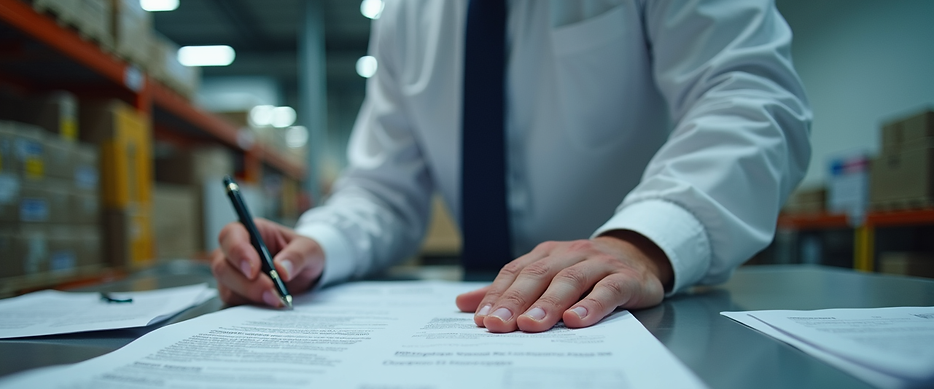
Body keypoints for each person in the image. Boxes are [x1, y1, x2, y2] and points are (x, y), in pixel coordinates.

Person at [212, 0, 812, 334]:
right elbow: (382, 187)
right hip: (487, 322)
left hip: (637, 315)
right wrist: (316, 246)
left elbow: (752, 100)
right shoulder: (405, 15)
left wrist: (643, 242)